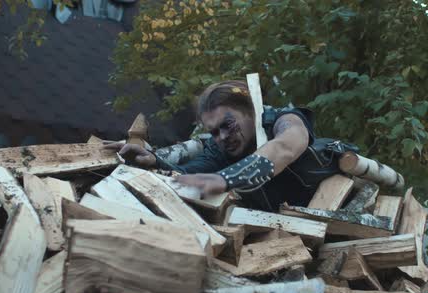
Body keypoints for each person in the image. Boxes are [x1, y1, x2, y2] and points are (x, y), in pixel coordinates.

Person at [104, 80, 358, 212]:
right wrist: (155, 161)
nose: (222, 137)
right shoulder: (222, 149)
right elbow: (194, 172)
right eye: (214, 132)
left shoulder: (284, 121)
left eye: (228, 125)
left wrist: (226, 179)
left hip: (348, 214)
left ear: (249, 112)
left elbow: (284, 149)